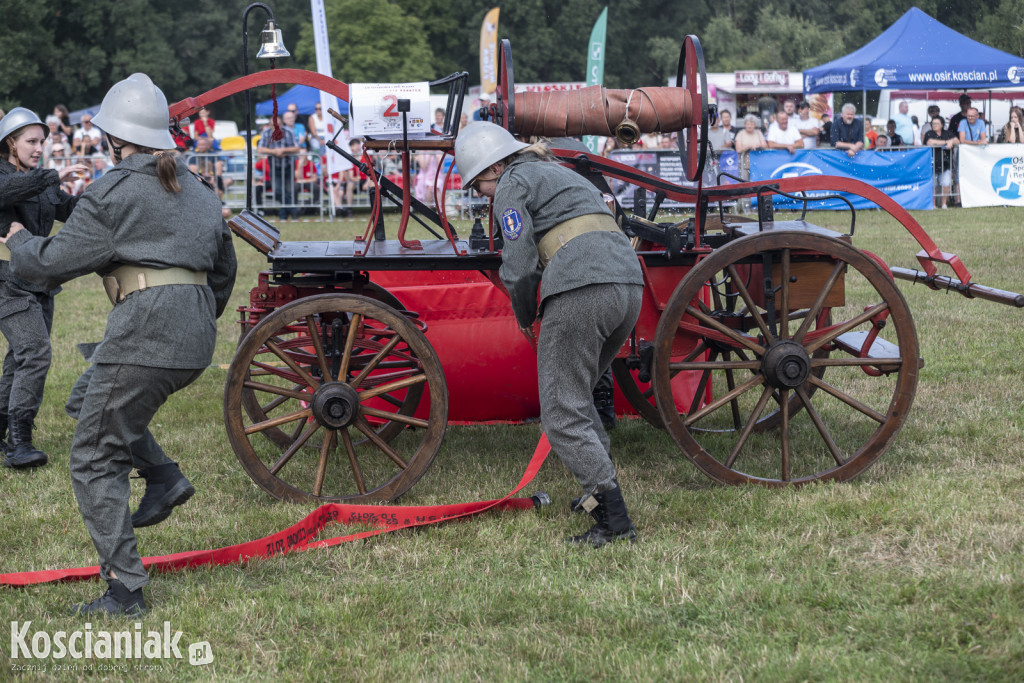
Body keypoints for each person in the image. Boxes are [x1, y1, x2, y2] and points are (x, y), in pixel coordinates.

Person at [2, 73, 236, 615]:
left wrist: (18, 244)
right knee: (87, 400)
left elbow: (52, 263)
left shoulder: (111, 192)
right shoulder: (201, 190)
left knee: (92, 455)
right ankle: (163, 477)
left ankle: (126, 592)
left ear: (113, 138)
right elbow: (223, 272)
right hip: (196, 336)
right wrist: (193, 317)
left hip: (146, 333)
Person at [455, 122, 643, 548]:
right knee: (578, 396)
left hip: (581, 288)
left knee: (560, 412)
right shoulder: (558, 171)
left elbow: (519, 265)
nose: (482, 193)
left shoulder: (512, 182)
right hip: (627, 286)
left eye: (480, 183)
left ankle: (613, 522)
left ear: (497, 165)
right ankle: (597, 493)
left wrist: (523, 313)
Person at [0, 109, 88, 468]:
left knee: (18, 359)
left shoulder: (43, 181)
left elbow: (72, 209)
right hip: (6, 282)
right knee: (35, 353)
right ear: (10, 143)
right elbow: (8, 190)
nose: (39, 148)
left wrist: (109, 194)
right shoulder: (11, 177)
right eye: (31, 142)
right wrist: (51, 175)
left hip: (39, 283)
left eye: (42, 141)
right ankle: (20, 442)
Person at [257, 119, 302, 220]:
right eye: (273, 126)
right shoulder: (266, 133)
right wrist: (274, 151)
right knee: (277, 191)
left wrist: (283, 150)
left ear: (281, 125)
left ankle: (283, 214)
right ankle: (294, 211)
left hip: (288, 165)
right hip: (274, 165)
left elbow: (296, 148)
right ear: (269, 126)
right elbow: (260, 149)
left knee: (288, 191)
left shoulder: (289, 132)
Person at [923, 115, 957, 209]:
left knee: (946, 184)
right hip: (932, 163)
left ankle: (944, 204)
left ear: (942, 124)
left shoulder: (948, 133)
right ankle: (933, 205)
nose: (934, 125)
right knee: (933, 185)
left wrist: (952, 141)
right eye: (933, 123)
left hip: (946, 163)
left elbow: (957, 141)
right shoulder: (929, 133)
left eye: (937, 123)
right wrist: (947, 142)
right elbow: (929, 142)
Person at [734, 114, 767, 181]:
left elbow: (765, 145)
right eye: (748, 124)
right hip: (745, 164)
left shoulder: (758, 133)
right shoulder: (741, 134)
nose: (750, 126)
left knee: (758, 182)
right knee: (745, 182)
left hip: (757, 163)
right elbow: (738, 149)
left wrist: (759, 146)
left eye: (752, 124)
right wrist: (748, 147)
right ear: (745, 125)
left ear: (754, 125)